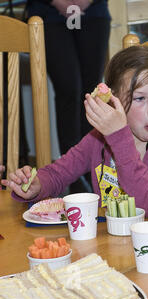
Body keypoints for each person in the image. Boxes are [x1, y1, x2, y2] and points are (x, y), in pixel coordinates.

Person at [1, 46, 148, 225]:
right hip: (118, 247)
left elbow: (146, 203)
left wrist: (119, 138)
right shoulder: (99, 140)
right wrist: (37, 185)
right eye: (140, 98)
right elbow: (57, 174)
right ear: (114, 101)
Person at [25, 0, 111, 193]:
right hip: (48, 13)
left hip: (93, 11)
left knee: (92, 94)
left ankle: (94, 169)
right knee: (68, 90)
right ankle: (74, 175)